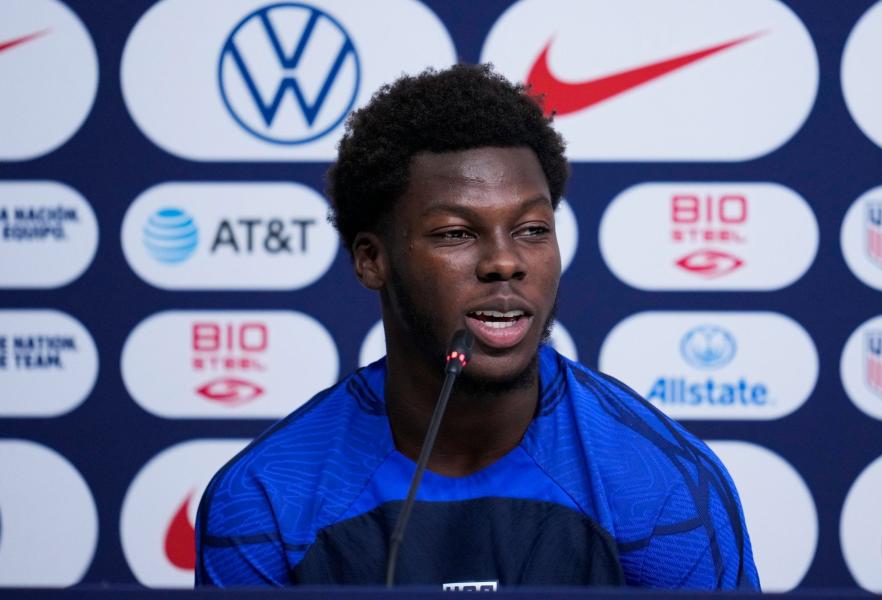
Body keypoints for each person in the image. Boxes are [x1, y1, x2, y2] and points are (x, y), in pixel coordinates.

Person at [195, 64, 760, 590]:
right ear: (372, 260)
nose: (505, 262)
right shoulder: (264, 497)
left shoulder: (662, 487)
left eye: (533, 229)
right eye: (456, 233)